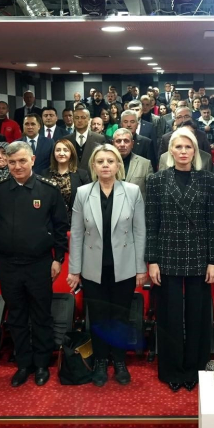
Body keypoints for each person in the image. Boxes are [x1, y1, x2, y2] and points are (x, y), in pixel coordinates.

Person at [146, 128, 214, 391]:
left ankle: (195, 369)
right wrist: (152, 260)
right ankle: (171, 370)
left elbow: (213, 224)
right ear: (170, 151)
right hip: (167, 255)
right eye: (178, 147)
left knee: (198, 315)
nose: (183, 151)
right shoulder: (156, 180)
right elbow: (151, 224)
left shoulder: (208, 180)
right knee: (169, 316)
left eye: (188, 147)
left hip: (199, 255)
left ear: (196, 151)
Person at [0, 141, 69, 388]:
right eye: (12, 162)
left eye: (22, 161)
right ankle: (24, 364)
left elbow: (60, 227)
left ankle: (42, 363)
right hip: (8, 264)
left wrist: (58, 258)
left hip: (39, 264)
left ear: (33, 160)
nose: (17, 166)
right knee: (16, 316)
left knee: (41, 315)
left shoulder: (49, 190)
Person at [67, 144, 146, 387]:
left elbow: (140, 231)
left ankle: (120, 361)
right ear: (93, 165)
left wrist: (140, 267)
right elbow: (77, 234)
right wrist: (74, 269)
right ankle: (101, 361)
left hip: (124, 267)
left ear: (118, 165)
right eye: (100, 161)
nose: (105, 165)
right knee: (99, 317)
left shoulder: (132, 191)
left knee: (121, 317)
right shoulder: (83, 193)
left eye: (110, 161)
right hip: (93, 268)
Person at [41, 138, 91, 218]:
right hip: (50, 219)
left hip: (74, 219)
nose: (61, 153)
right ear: (53, 153)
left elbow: (88, 200)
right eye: (58, 150)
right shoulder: (44, 174)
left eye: (65, 150)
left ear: (71, 153)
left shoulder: (82, 174)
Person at [112, 128, 153, 198]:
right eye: (118, 141)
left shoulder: (145, 164)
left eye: (126, 141)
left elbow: (151, 193)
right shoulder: (105, 164)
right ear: (113, 143)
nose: (122, 144)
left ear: (132, 144)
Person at [62, 107, 106, 172]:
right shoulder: (66, 139)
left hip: (92, 175)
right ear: (73, 119)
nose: (79, 120)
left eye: (83, 117)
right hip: (72, 175)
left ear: (89, 119)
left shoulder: (99, 138)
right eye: (77, 118)